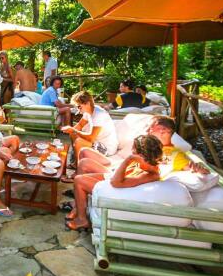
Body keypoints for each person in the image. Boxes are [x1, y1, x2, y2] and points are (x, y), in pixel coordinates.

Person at [65, 134, 163, 231]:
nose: (132, 152)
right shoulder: (144, 163)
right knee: (84, 164)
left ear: (141, 155)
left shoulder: (149, 174)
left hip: (113, 188)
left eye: (134, 150)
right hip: (113, 178)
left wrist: (129, 159)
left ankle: (82, 220)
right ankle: (78, 208)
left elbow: (116, 183)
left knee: (79, 180)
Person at [74, 115, 207, 178]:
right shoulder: (152, 145)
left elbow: (190, 166)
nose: (147, 132)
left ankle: (79, 192)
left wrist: (196, 168)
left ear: (164, 132)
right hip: (120, 166)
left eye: (150, 129)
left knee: (85, 164)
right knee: (85, 151)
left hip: (122, 175)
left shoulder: (174, 154)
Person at [62, 90, 118, 155]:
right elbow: (80, 125)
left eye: (79, 106)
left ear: (87, 103)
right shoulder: (89, 111)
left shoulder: (99, 115)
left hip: (106, 148)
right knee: (73, 134)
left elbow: (91, 138)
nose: (78, 109)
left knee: (78, 142)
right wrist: (69, 130)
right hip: (96, 142)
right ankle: (74, 158)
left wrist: (74, 131)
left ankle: (76, 164)